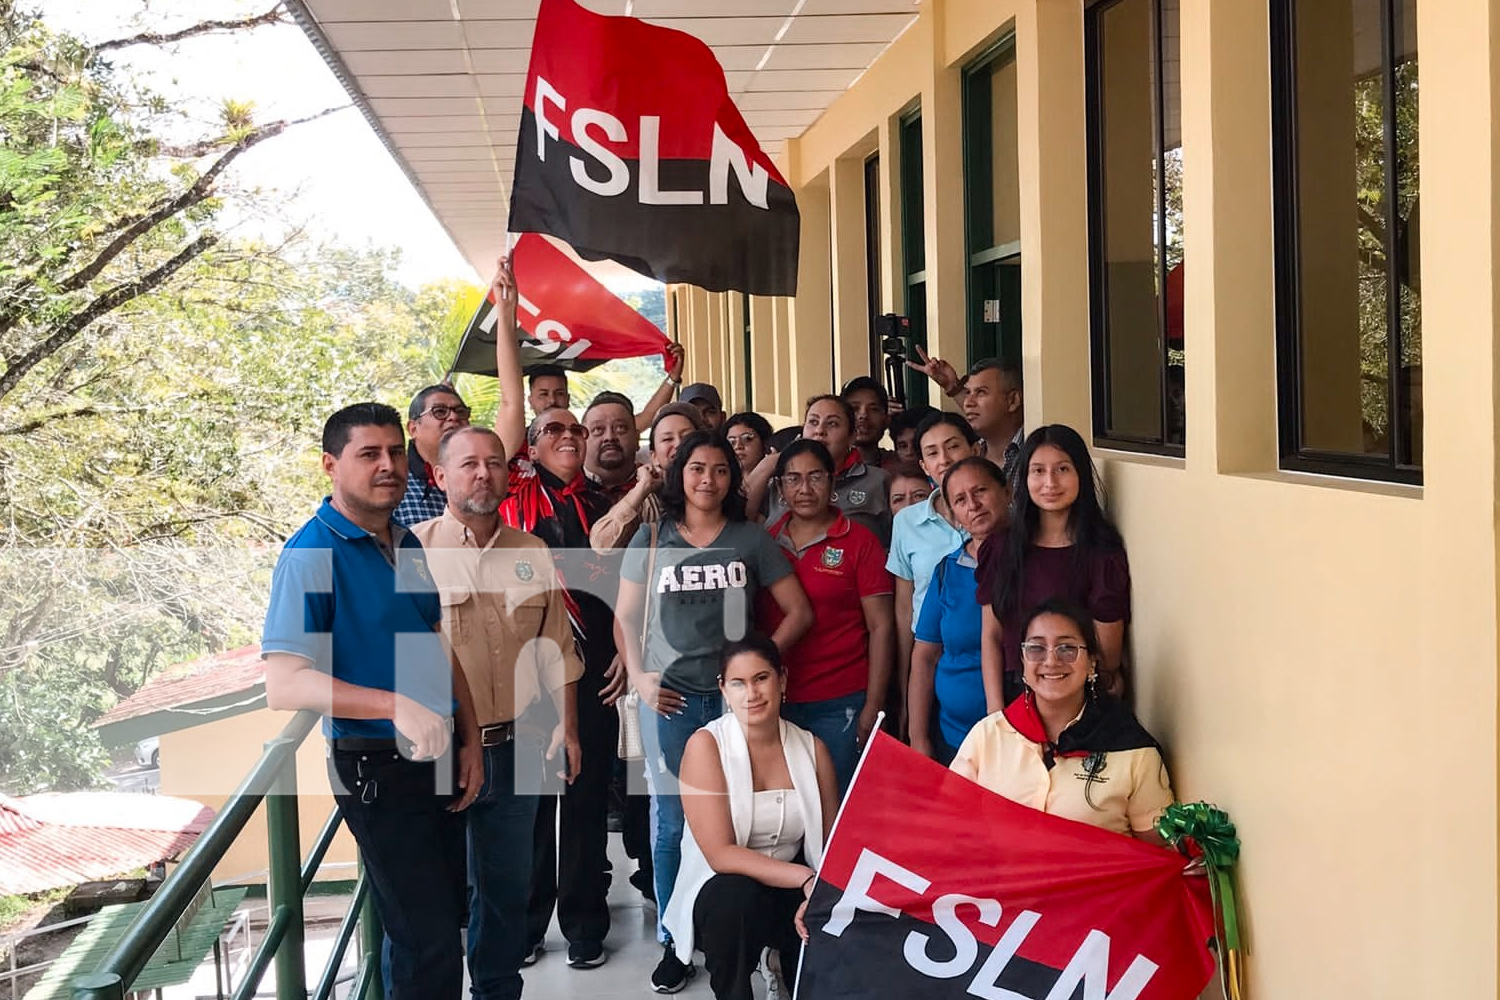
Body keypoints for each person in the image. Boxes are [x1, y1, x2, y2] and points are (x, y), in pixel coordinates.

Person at [261, 402, 483, 1000]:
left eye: (395, 452)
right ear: (331, 465)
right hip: (375, 766)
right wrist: (394, 705)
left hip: (435, 751)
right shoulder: (310, 554)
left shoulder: (405, 541)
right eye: (369, 454)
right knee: (425, 936)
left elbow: (437, 640)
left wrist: (471, 737)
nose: (388, 465)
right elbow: (284, 683)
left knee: (436, 925)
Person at [616, 431, 813, 993]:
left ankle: (743, 933)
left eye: (721, 470)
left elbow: (798, 613)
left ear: (734, 478)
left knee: (741, 819)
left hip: (737, 707)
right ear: (679, 474)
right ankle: (675, 943)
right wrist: (640, 677)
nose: (709, 480)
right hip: (673, 702)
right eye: (697, 468)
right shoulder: (652, 537)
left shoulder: (750, 538)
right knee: (674, 823)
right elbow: (624, 618)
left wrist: (755, 675)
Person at [412, 426, 583, 1000]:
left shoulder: (531, 552)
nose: (482, 473)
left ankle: (496, 990)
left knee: (507, 893)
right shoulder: (409, 552)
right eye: (467, 465)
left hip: (516, 746)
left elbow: (558, 647)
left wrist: (570, 727)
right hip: (434, 753)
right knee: (428, 899)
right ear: (440, 476)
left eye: (493, 463)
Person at [664, 634, 838, 1000]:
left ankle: (785, 967)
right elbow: (720, 855)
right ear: (723, 690)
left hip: (792, 883)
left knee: (829, 918)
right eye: (738, 683)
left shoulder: (813, 749)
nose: (752, 693)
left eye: (761, 678)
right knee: (736, 899)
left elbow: (833, 846)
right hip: (722, 887)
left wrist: (818, 892)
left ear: (782, 680)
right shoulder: (705, 746)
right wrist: (807, 879)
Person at [951, 599, 1172, 842]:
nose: (1051, 660)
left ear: (1092, 662)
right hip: (1000, 879)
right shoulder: (987, 736)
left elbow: (1159, 852)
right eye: (1036, 648)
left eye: (1067, 648)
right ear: (1022, 662)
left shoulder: (1134, 751)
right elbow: (949, 826)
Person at [760, 439, 894, 794]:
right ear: (780, 487)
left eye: (815, 477)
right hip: (776, 700)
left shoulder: (860, 541)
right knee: (787, 810)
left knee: (835, 807)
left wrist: (874, 705)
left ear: (833, 483)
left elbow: (881, 627)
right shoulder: (764, 542)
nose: (805, 489)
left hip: (841, 701)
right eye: (793, 479)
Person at [978, 425, 1131, 712]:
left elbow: (1107, 656)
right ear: (1024, 478)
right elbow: (991, 634)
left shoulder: (1101, 552)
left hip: (1077, 698)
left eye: (1062, 469)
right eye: (1038, 471)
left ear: (1080, 476)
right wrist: (995, 709)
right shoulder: (1001, 548)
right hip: (1014, 695)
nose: (1050, 482)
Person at [909, 457, 1009, 765]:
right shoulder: (947, 571)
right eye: (961, 500)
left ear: (1008, 493)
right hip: (955, 739)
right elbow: (925, 657)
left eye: (981, 491)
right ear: (953, 515)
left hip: (1020, 736)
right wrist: (919, 738)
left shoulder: (1034, 563)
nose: (974, 505)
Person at [887, 413, 981, 733]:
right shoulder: (906, 522)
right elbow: (904, 607)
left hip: (982, 659)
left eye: (953, 446)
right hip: (927, 661)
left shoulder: (996, 518)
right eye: (932, 453)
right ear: (924, 466)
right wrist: (904, 685)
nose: (944, 460)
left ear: (975, 450)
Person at [753, 395, 890, 546]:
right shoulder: (780, 481)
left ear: (852, 436)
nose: (819, 430)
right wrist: (765, 468)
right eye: (813, 422)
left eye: (832, 423)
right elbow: (740, 523)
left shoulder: (878, 481)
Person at [589, 402, 706, 554]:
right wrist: (642, 487)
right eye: (667, 439)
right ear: (654, 456)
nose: (678, 444)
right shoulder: (648, 499)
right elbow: (602, 545)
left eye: (687, 437)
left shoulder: (717, 485)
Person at [906, 351, 1025, 482]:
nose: (968, 402)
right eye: (967, 392)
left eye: (981, 392)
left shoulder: (1035, 453)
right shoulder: (969, 451)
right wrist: (952, 387)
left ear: (1012, 400)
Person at [528, 343, 688, 433]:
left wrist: (672, 378)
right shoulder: (515, 441)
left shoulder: (583, 434)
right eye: (543, 394)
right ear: (530, 401)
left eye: (559, 393)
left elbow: (645, 419)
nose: (552, 400)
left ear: (568, 399)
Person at [393, 385, 471, 527]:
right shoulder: (394, 486)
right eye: (440, 412)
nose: (454, 417)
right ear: (413, 428)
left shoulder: (482, 476)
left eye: (460, 412)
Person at [582, 391, 641, 502]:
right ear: (582, 440)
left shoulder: (659, 490)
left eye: (620, 428)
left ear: (637, 438)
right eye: (598, 429)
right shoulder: (562, 493)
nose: (609, 437)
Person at [840, 376, 894, 469]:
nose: (863, 415)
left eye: (874, 409)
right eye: (854, 408)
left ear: (886, 418)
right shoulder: (825, 468)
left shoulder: (900, 467)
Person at [724, 412, 774, 476]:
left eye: (747, 439)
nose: (738, 446)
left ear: (764, 443)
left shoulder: (778, 482)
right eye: (731, 442)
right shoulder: (722, 482)